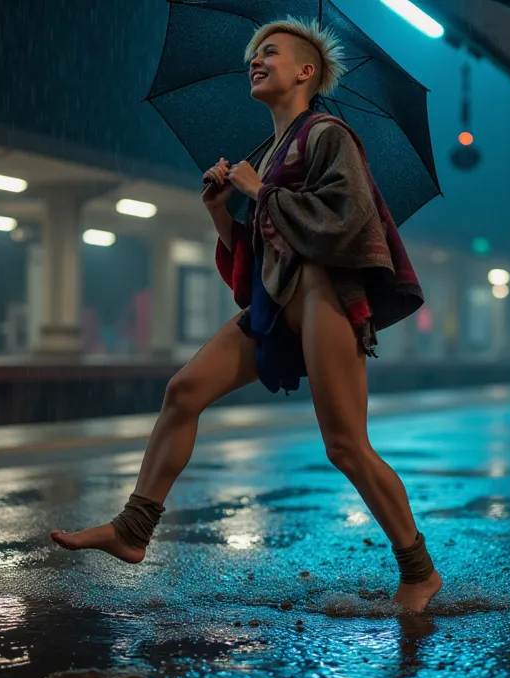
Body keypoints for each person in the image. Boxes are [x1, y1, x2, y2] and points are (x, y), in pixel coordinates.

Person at [51, 17, 441, 613]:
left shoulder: (329, 133)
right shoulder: (274, 147)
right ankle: (133, 531)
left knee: (345, 446)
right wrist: (220, 211)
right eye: (253, 55)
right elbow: (257, 258)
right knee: (183, 390)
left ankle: (419, 570)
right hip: (276, 301)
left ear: (306, 72)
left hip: (323, 298)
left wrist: (260, 192)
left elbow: (347, 221)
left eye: (270, 52)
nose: (255, 61)